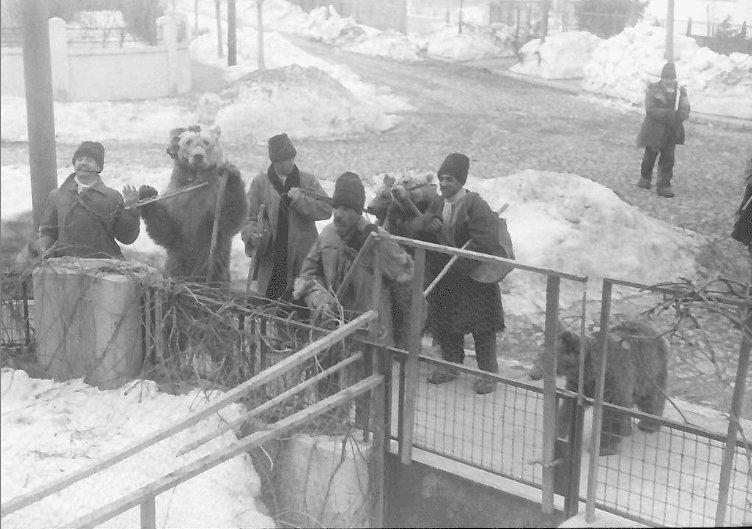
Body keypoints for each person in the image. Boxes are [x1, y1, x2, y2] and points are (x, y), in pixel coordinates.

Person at [293, 171, 414, 346]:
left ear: (358, 212)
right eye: (337, 207)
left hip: (373, 335)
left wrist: (404, 337)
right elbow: (308, 276)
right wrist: (321, 300)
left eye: (347, 209)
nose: (339, 214)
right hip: (332, 331)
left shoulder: (377, 240)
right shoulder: (327, 236)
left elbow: (407, 286)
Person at [420, 153, 505, 395]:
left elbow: (486, 240)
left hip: (473, 279)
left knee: (482, 326)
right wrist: (430, 224)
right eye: (441, 179)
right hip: (446, 277)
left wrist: (460, 264)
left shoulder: (475, 205)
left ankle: (488, 374)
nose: (444, 184)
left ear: (461, 181)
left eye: (449, 179)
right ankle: (451, 365)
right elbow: (424, 225)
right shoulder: (438, 203)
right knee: (447, 323)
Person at [241, 133, 332, 303]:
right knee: (271, 310)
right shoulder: (260, 183)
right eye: (286, 160)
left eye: (293, 158)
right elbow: (249, 218)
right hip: (272, 260)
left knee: (304, 306)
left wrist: (300, 200)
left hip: (303, 257)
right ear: (275, 162)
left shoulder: (307, 180)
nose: (291, 162)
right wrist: (253, 235)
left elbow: (326, 209)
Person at [37, 141, 140, 258]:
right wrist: (44, 249)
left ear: (99, 167)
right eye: (80, 159)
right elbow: (48, 232)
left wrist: (131, 208)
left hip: (104, 267)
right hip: (66, 266)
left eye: (89, 160)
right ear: (74, 163)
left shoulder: (113, 197)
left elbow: (127, 238)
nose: (83, 163)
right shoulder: (56, 195)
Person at [636, 61, 691, 198]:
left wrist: (682, 113)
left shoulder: (680, 92)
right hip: (654, 131)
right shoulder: (653, 89)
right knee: (650, 156)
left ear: (674, 79)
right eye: (666, 78)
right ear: (662, 78)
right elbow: (650, 110)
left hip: (671, 132)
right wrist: (671, 114)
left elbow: (685, 109)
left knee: (668, 159)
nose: (668, 81)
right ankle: (645, 178)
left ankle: (664, 185)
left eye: (671, 78)